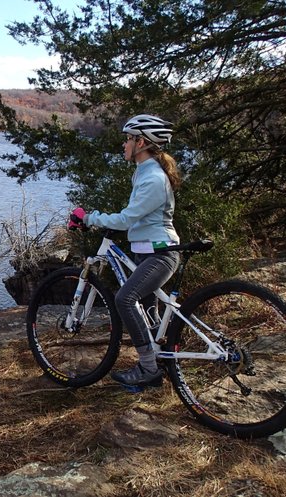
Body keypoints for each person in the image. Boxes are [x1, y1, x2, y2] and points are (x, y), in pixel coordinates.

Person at [68, 114, 182, 387]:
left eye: (128, 139)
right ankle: (159, 362)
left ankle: (148, 368)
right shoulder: (144, 172)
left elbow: (127, 218)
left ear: (141, 142)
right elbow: (139, 218)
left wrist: (89, 218)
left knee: (124, 299)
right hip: (147, 252)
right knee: (148, 310)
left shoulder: (153, 177)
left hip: (160, 254)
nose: (124, 144)